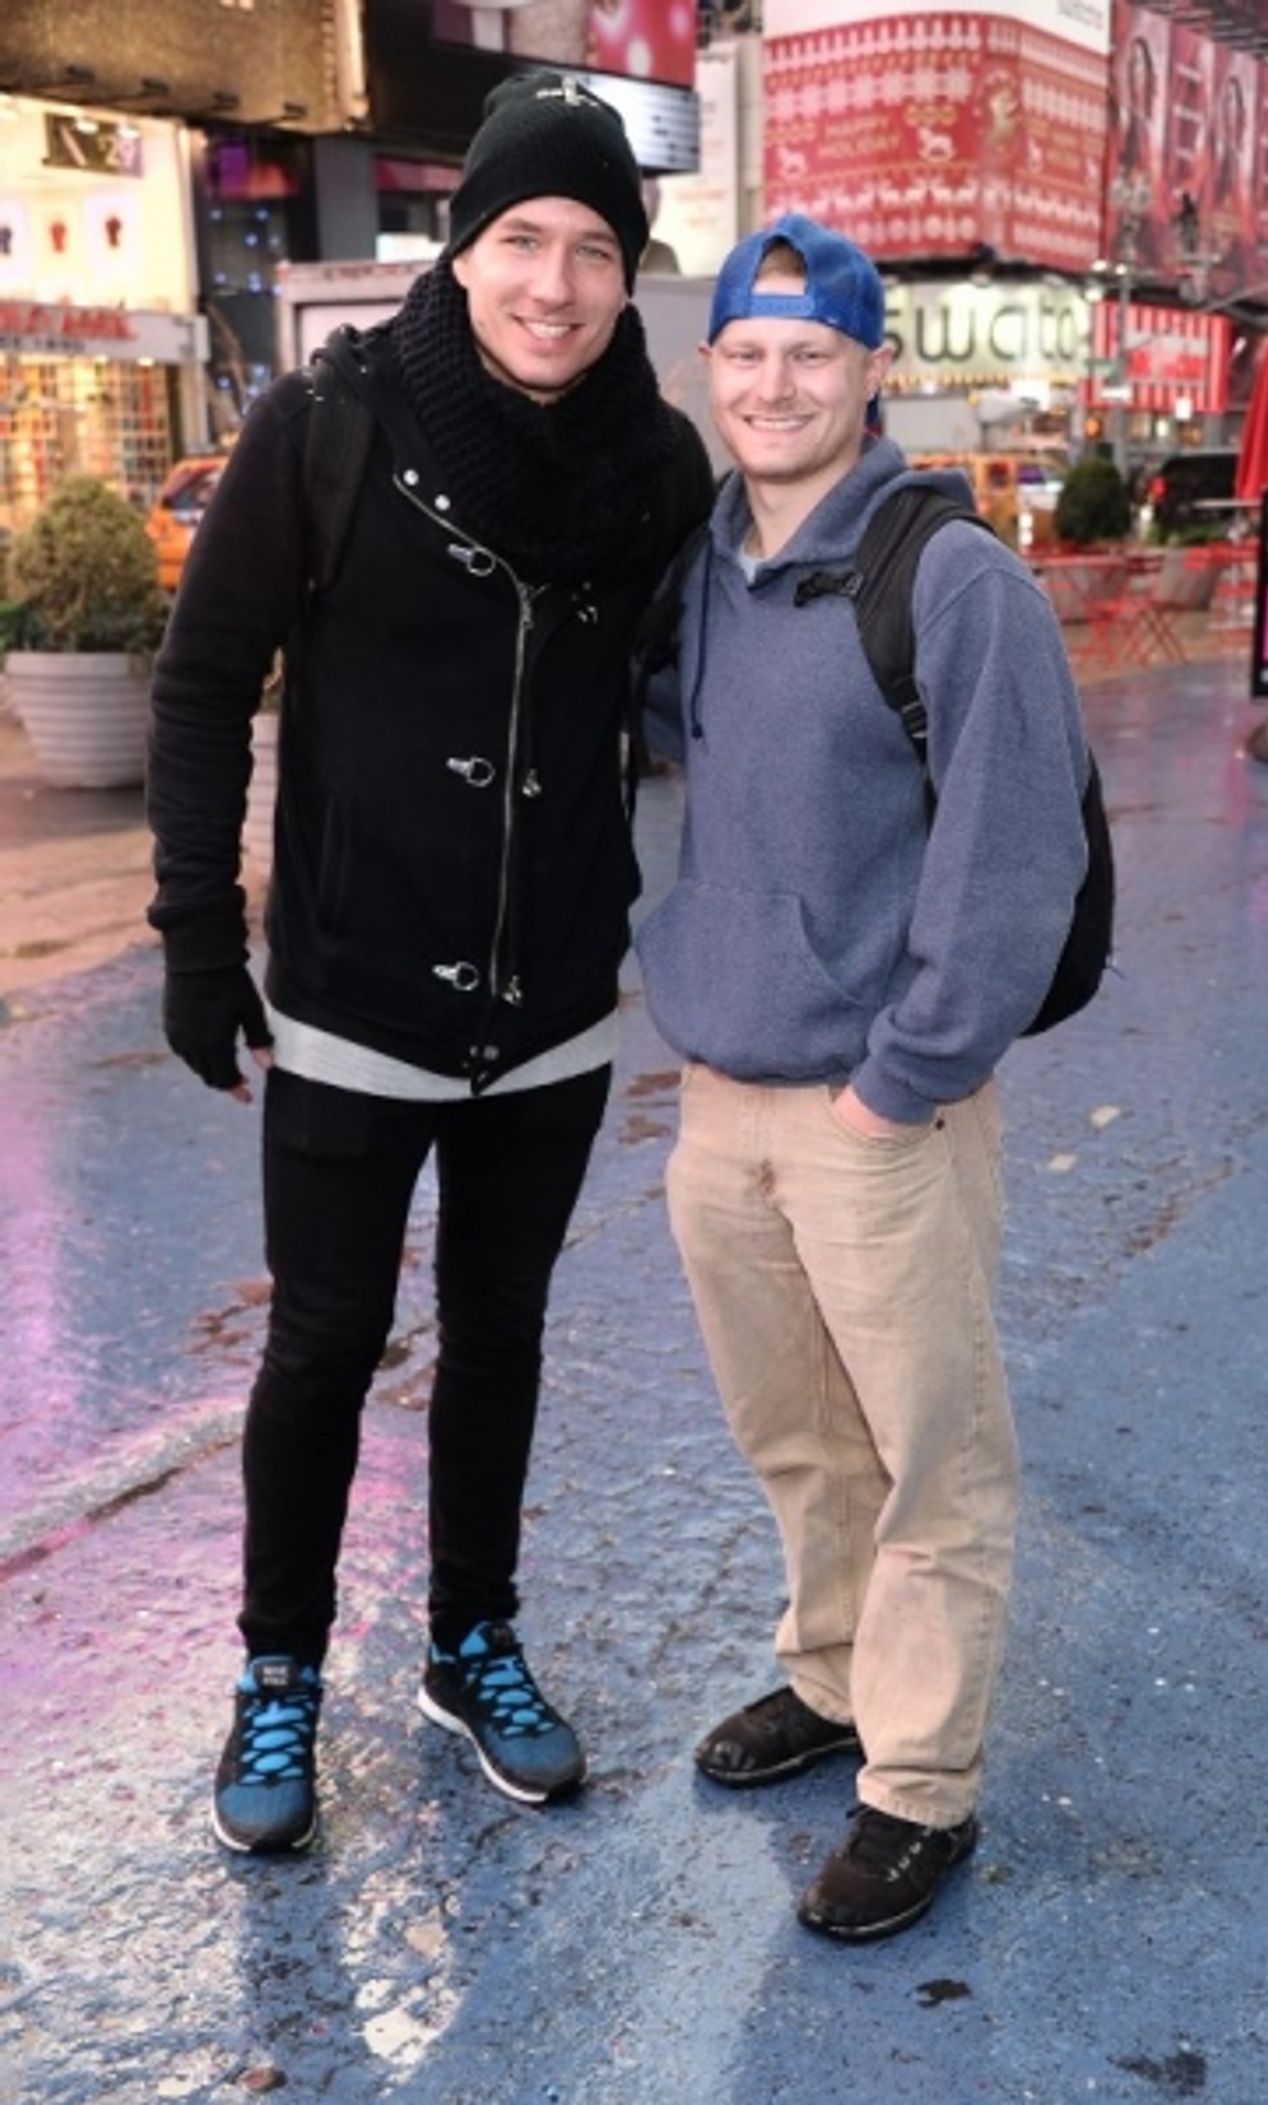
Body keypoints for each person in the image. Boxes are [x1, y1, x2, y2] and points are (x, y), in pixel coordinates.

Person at [147, 70, 712, 1855]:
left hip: (549, 1006)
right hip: (353, 992)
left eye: (595, 249)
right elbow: (200, 679)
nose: (556, 282)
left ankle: (472, 1638)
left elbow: (723, 701)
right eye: (523, 238)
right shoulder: (328, 422)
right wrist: (189, 925)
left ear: (631, 275)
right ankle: (280, 1670)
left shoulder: (659, 467)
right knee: (321, 1342)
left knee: (504, 1336)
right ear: (463, 246)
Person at [634, 215, 1091, 1942]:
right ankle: (830, 1675)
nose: (772, 382)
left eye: (808, 353)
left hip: (877, 1109)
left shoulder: (949, 577)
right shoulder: (704, 566)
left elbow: (1011, 854)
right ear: (710, 375)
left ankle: (919, 1782)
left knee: (930, 1451)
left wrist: (904, 1079)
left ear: (870, 369)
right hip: (719, 1096)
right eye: (744, 355)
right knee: (798, 1440)